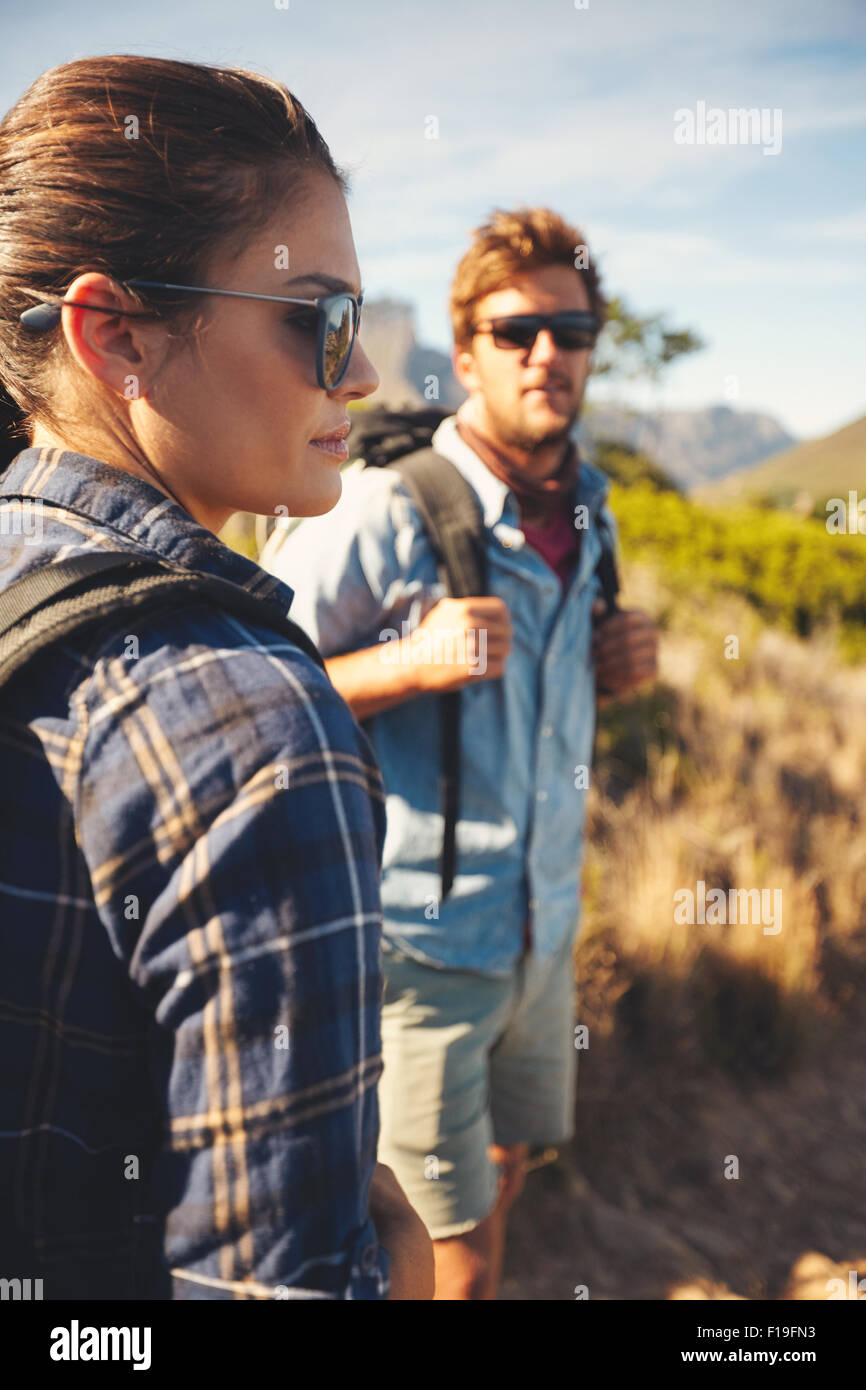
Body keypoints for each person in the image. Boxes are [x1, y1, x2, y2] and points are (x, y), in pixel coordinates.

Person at [0, 55, 432, 1301]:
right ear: (114, 334)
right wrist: (399, 1272)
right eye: (319, 321)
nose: (357, 376)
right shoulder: (251, 726)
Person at [261, 206, 658, 1299]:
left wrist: (612, 668)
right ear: (466, 345)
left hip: (541, 931)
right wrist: (402, 665)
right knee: (445, 1262)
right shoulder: (381, 506)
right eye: (515, 329)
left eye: (571, 332)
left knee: (502, 1172)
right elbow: (250, 697)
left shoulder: (591, 508)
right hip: (418, 958)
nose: (547, 354)